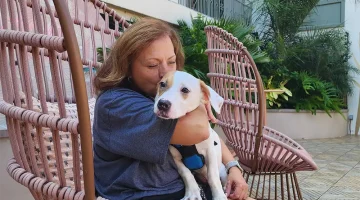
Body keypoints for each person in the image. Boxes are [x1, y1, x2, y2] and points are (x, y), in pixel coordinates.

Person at [92, 17, 249, 200]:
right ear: (126, 66)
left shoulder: (156, 94)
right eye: (152, 64)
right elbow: (198, 129)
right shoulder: (115, 103)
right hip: (148, 194)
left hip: (191, 190)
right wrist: (198, 100)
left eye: (172, 61)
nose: (165, 72)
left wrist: (232, 167)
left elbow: (209, 137)